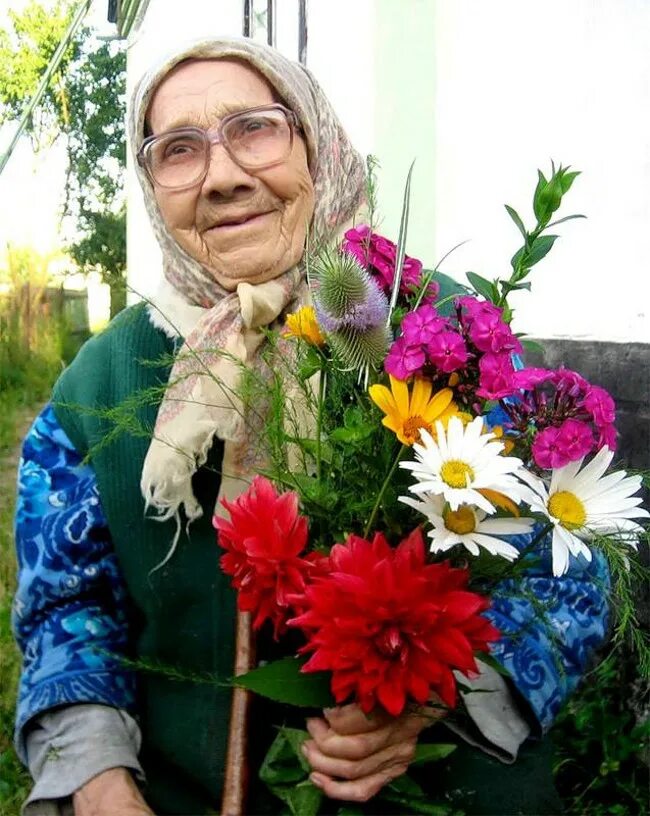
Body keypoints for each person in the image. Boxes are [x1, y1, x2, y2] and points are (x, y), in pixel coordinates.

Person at [11, 37, 609, 816]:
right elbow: (66, 606)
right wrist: (97, 780)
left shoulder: (444, 332)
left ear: (317, 141)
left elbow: (573, 564)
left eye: (255, 128)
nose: (223, 177)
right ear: (151, 184)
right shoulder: (99, 385)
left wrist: (440, 696)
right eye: (178, 150)